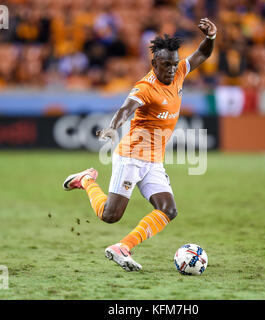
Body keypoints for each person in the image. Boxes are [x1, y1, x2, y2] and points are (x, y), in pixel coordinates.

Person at [63, 18, 217, 272]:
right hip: (131, 157)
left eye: (174, 63)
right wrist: (113, 127)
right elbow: (126, 108)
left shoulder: (179, 72)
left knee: (168, 209)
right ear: (154, 63)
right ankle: (87, 180)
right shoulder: (145, 87)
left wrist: (211, 37)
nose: (171, 69)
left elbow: (202, 53)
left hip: (154, 160)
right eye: (165, 64)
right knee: (110, 216)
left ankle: (122, 247)